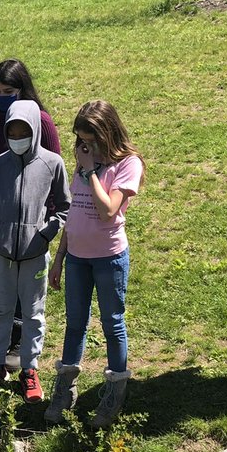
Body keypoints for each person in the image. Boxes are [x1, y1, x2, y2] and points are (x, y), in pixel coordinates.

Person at [45, 100, 144, 428]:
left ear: (106, 133)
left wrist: (90, 171)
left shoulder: (128, 164)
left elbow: (107, 211)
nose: (83, 145)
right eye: (80, 139)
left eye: (89, 138)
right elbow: (75, 212)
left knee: (112, 322)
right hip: (77, 258)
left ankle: (115, 390)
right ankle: (66, 388)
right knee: (75, 323)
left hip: (109, 257)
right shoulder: (84, 162)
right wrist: (60, 257)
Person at [0, 100, 70, 401]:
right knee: (1, 310)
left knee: (33, 312)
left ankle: (30, 369)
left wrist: (46, 233)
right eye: (12, 131)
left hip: (34, 255)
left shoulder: (52, 164)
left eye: (23, 131)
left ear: (35, 130)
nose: (17, 137)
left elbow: (64, 207)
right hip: (1, 254)